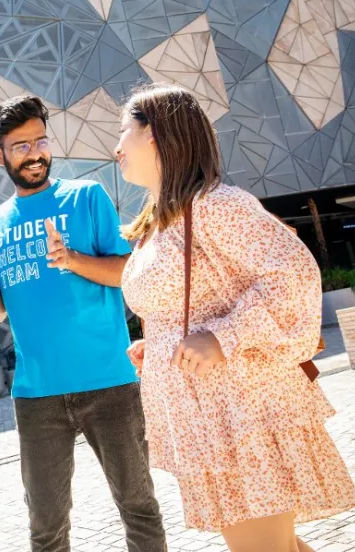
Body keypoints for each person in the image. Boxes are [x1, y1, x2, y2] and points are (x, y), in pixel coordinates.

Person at [118, 83, 355, 552]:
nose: (117, 146)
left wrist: (221, 338)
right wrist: (162, 344)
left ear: (154, 136)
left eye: (123, 131)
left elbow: (292, 274)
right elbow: (194, 302)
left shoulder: (214, 205)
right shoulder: (165, 218)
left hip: (242, 413)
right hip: (212, 418)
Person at [0, 95, 167, 552]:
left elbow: (128, 272)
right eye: (20, 146)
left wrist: (71, 259)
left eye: (40, 141)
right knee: (46, 526)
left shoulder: (86, 197)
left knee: (138, 506)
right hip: (36, 395)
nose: (35, 153)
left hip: (110, 380)